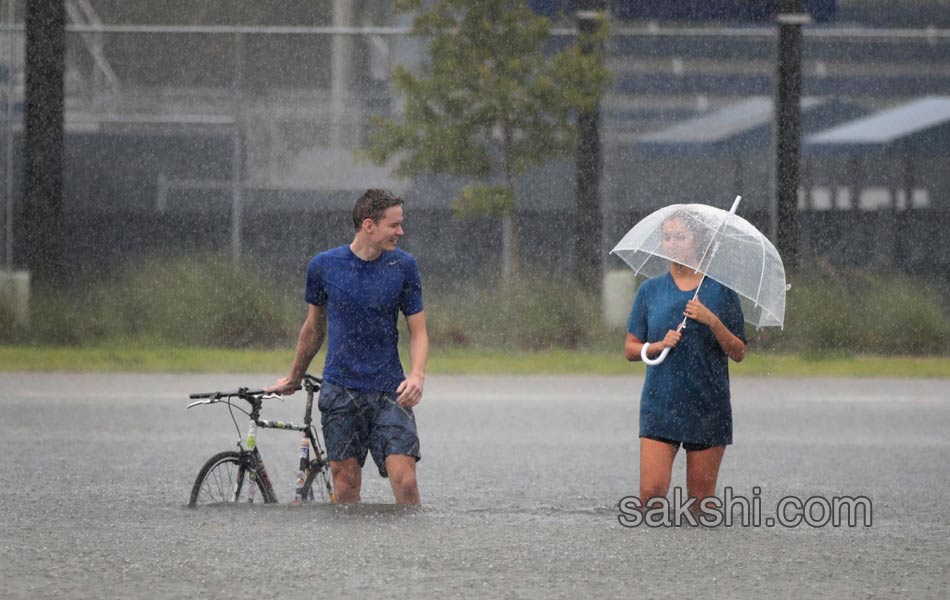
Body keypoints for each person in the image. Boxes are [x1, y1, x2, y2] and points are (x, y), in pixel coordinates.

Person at [270, 189, 428, 505]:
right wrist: (294, 377)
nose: (401, 232)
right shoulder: (324, 266)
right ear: (368, 224)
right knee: (344, 487)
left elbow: (419, 332)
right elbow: (313, 329)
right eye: (394, 225)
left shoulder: (404, 266)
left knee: (406, 482)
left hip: (390, 391)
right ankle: (349, 554)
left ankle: (410, 550)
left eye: (401, 224)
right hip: (341, 390)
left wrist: (417, 375)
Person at [623, 211, 746, 517]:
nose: (672, 244)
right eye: (667, 237)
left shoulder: (720, 291)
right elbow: (629, 349)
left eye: (681, 237)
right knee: (650, 496)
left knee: (701, 504)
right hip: (660, 402)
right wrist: (657, 345)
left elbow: (739, 351)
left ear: (698, 242)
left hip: (708, 404)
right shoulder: (649, 291)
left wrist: (712, 320)